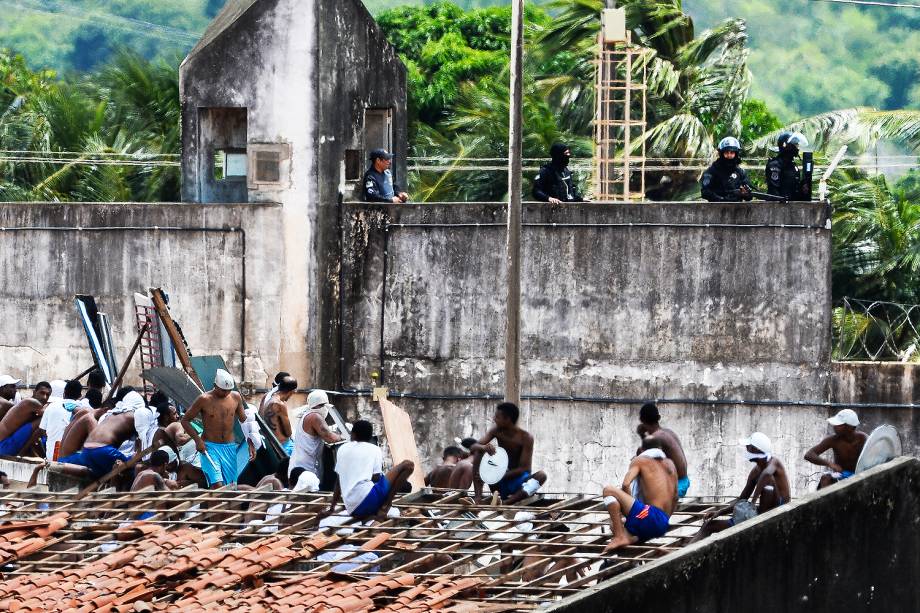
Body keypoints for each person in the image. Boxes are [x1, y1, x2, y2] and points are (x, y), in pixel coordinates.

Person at [693, 432, 791, 541]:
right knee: (708, 526)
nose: (746, 449)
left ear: (756, 450)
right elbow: (742, 499)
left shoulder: (774, 463)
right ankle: (687, 552)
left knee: (768, 483)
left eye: (748, 447)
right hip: (757, 514)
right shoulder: (755, 471)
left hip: (778, 513)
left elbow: (766, 475)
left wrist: (752, 503)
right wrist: (719, 512)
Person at [601, 438, 678, 552]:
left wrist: (628, 514)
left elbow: (626, 484)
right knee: (627, 535)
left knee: (608, 491)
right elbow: (675, 498)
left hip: (650, 516)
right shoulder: (670, 466)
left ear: (642, 450)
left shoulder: (640, 461)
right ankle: (635, 543)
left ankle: (619, 537)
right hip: (663, 523)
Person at [328, 420, 414, 518]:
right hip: (369, 501)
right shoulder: (374, 449)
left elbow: (338, 482)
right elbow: (376, 477)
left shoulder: (342, 449)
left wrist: (332, 508)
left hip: (352, 509)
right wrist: (392, 483)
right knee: (408, 465)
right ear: (369, 437)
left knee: (395, 482)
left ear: (353, 434)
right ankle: (386, 507)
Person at [181, 369, 250, 489]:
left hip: (229, 447)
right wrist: (198, 441)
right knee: (217, 485)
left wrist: (251, 441)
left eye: (228, 390)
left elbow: (244, 421)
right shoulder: (204, 399)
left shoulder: (235, 397)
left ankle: (222, 507)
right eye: (223, 390)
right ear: (215, 386)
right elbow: (185, 420)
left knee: (231, 486)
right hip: (209, 447)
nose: (226, 393)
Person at [471, 403, 547, 504]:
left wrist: (499, 475)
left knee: (542, 475)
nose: (494, 419)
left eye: (497, 417)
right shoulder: (496, 431)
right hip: (499, 483)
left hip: (518, 482)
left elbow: (524, 468)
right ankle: (478, 497)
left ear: (508, 419)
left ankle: (508, 501)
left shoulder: (526, 437)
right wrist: (483, 447)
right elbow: (473, 447)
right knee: (479, 452)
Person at [57, 409, 138, 479]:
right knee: (127, 471)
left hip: (68, 458)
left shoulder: (84, 415)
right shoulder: (89, 418)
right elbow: (97, 448)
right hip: (69, 459)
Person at [289, 389, 344, 487]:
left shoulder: (308, 414)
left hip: (302, 465)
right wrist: (343, 436)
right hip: (304, 468)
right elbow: (330, 437)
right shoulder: (314, 417)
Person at [636, 402, 690, 497]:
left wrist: (641, 435)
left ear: (641, 420)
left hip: (677, 486)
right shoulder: (667, 432)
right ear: (658, 418)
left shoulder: (656, 437)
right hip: (684, 481)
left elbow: (641, 457)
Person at [805, 409, 867, 489]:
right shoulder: (833, 440)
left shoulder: (863, 438)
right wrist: (830, 464)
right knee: (825, 478)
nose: (834, 427)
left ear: (850, 427)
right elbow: (809, 455)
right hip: (841, 474)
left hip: (860, 475)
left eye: (838, 425)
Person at [38, 380, 83, 461]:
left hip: (51, 456)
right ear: (80, 396)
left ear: (64, 393)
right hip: (69, 458)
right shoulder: (82, 409)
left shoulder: (51, 406)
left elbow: (42, 430)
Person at [0, 383, 50, 456]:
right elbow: (49, 414)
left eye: (48, 395)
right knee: (42, 420)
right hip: (4, 445)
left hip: (6, 444)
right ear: (34, 392)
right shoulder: (31, 402)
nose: (44, 397)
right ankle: (21, 453)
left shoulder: (30, 405)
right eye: (42, 393)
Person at [700, 137, 753, 202]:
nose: (729, 155)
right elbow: (705, 192)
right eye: (726, 152)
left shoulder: (740, 172)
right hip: (716, 208)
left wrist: (745, 194)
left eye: (732, 153)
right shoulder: (712, 170)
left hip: (737, 209)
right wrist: (722, 199)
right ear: (722, 153)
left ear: (736, 154)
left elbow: (749, 196)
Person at [766, 132, 810, 200]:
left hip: (793, 206)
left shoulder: (793, 166)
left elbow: (793, 189)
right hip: (778, 208)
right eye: (795, 144)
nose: (797, 147)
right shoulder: (775, 165)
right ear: (786, 145)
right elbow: (773, 192)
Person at [260, 376, 296, 455]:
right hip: (283, 447)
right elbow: (288, 432)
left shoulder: (269, 399)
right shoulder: (279, 404)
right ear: (291, 392)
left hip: (272, 445)